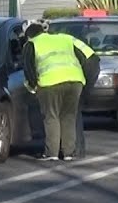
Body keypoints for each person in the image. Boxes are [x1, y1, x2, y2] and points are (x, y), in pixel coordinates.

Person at [22, 22, 93, 162]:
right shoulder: (64, 38)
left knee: (51, 117)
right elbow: (88, 57)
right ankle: (69, 153)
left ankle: (51, 153)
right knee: (68, 117)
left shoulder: (31, 44)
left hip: (50, 83)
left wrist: (33, 86)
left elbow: (28, 68)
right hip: (75, 80)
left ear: (29, 36)